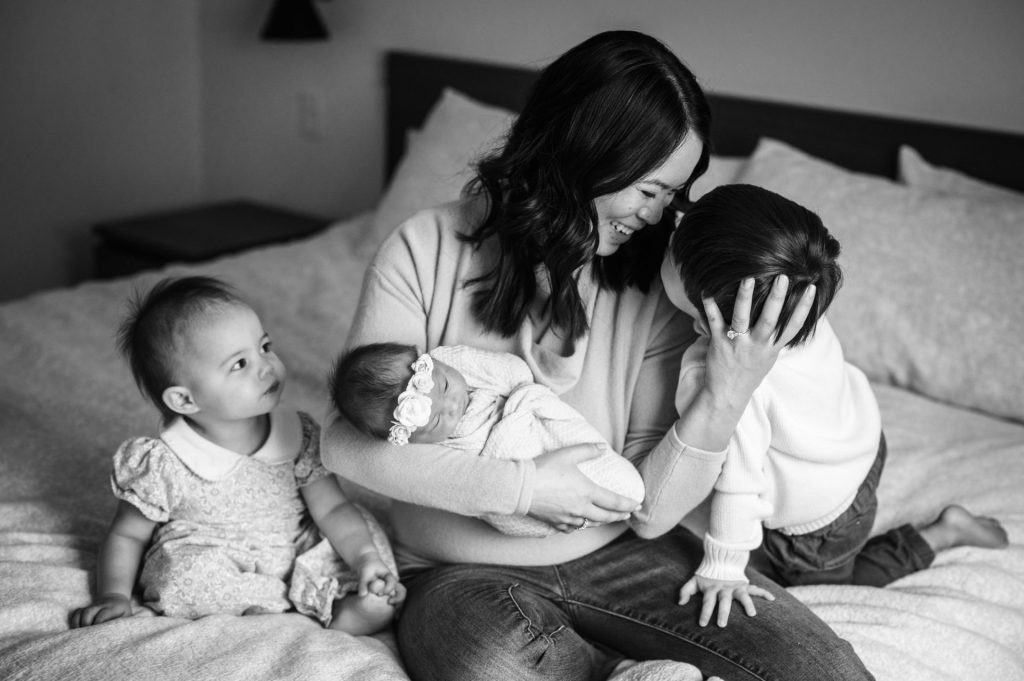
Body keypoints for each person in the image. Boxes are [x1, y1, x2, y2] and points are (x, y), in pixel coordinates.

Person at [321, 30, 873, 681]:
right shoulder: (425, 248)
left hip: (624, 555)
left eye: (674, 192)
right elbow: (345, 445)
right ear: (586, 152)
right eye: (649, 189)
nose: (662, 213)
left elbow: (651, 512)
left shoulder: (658, 286)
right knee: (493, 662)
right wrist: (524, 488)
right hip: (457, 567)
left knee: (825, 671)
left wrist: (727, 393)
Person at [655, 183, 1009, 627]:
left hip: (825, 520)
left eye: (672, 252)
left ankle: (940, 535)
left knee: (822, 589)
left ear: (722, 311)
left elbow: (739, 485)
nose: (667, 240)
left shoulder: (732, 385)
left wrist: (723, 567)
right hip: (860, 443)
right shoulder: (796, 298)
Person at [69, 276, 404, 635]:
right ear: (184, 400)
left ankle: (347, 602)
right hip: (217, 553)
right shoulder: (164, 461)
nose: (266, 366)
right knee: (184, 577)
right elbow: (128, 535)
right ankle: (293, 610)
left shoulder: (298, 432)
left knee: (362, 533)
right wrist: (114, 595)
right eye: (239, 364)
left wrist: (366, 559)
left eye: (264, 346)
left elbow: (333, 508)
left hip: (293, 545)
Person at [329, 342, 645, 536]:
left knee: (615, 477)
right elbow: (475, 478)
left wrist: (517, 404)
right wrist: (520, 482)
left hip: (532, 422)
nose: (452, 404)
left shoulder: (456, 362)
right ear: (409, 440)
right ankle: (595, 509)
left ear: (429, 360)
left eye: (443, 387)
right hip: (510, 462)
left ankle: (612, 493)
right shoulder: (439, 448)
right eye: (437, 419)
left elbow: (517, 374)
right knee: (504, 515)